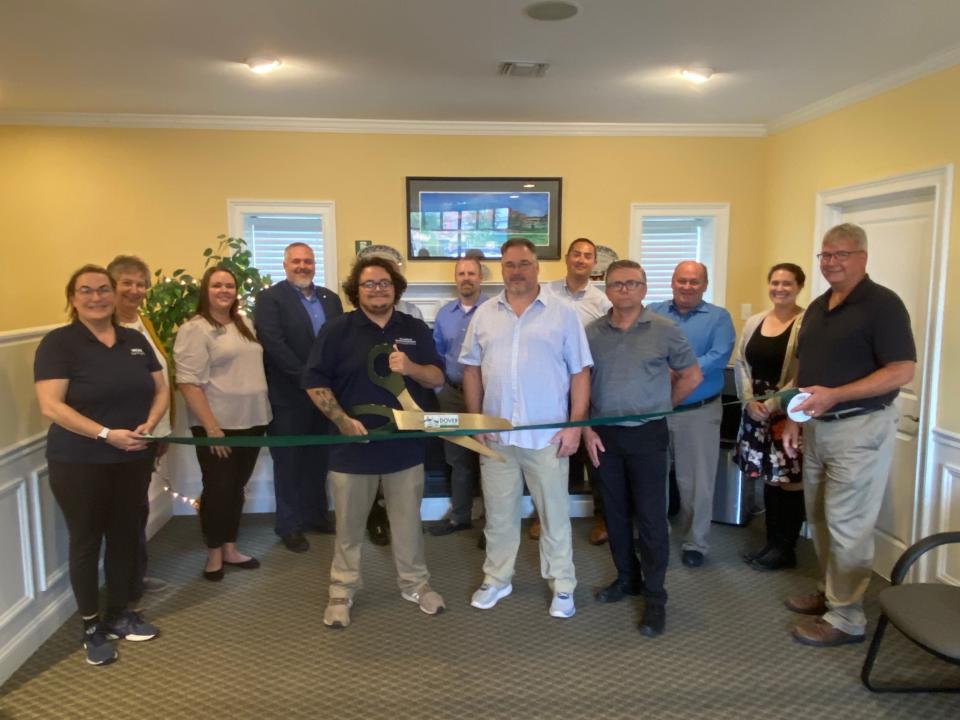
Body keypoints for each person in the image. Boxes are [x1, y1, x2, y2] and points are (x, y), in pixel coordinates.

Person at [783, 223, 915, 647]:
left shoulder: (883, 305)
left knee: (848, 526)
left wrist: (836, 395)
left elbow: (901, 370)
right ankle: (832, 595)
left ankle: (847, 618)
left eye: (842, 254)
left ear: (862, 257)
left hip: (859, 428)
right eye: (825, 255)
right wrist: (792, 418)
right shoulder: (820, 306)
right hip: (817, 428)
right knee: (820, 517)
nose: (832, 263)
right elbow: (807, 372)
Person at [34, 265, 167, 666]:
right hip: (80, 461)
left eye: (103, 289)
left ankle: (119, 614)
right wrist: (107, 434)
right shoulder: (59, 344)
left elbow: (161, 388)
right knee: (87, 542)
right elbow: (51, 405)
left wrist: (151, 423)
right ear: (73, 299)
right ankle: (91, 626)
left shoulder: (133, 340)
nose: (97, 297)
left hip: (132, 457)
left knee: (126, 535)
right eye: (86, 291)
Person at [303, 256, 446, 628]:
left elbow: (435, 378)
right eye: (369, 284)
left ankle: (415, 584)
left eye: (384, 283)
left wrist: (411, 367)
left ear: (395, 288)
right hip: (352, 450)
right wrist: (342, 420)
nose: (378, 289)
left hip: (405, 448)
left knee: (407, 524)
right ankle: (342, 590)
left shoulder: (414, 328)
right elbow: (315, 383)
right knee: (349, 529)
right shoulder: (336, 331)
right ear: (356, 291)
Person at [461, 237, 592, 619]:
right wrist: (475, 421)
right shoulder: (484, 314)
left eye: (524, 263)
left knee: (554, 516)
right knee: (499, 517)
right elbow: (470, 369)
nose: (516, 271)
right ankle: (497, 579)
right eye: (509, 265)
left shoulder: (563, 314)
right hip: (497, 439)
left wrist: (575, 427)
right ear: (501, 269)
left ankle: (563, 585)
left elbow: (580, 372)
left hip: (547, 439)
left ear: (537, 267)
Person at [583, 261, 701, 637]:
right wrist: (585, 426)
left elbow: (692, 375)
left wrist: (664, 405)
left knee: (651, 520)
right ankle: (626, 579)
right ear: (607, 288)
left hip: (648, 436)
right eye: (616, 284)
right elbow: (580, 382)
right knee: (615, 515)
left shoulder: (665, 330)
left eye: (632, 283)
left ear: (643, 288)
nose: (624, 290)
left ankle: (655, 597)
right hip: (604, 437)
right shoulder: (591, 333)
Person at [173, 265, 272, 581]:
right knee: (218, 489)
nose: (224, 291)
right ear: (206, 290)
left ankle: (230, 547)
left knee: (236, 488)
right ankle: (214, 553)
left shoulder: (243, 323)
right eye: (217, 285)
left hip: (254, 421)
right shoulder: (195, 329)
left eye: (229, 285)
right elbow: (188, 383)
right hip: (218, 425)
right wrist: (212, 429)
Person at [254, 242, 343, 553]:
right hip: (288, 395)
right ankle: (289, 525)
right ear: (285, 264)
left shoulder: (331, 299)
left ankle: (316, 516)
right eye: (296, 261)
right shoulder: (269, 299)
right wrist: (309, 381)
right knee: (289, 462)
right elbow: (275, 345)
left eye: (308, 261)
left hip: (327, 397)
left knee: (319, 459)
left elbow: (339, 343)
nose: (302, 266)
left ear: (314, 264)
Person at [648, 261, 735, 568]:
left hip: (698, 412)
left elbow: (718, 355)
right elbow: (642, 348)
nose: (687, 286)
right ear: (672, 282)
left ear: (704, 285)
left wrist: (681, 371)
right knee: (653, 477)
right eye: (681, 280)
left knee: (696, 481)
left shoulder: (719, 318)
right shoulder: (653, 312)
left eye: (694, 282)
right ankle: (655, 534)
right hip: (656, 410)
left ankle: (696, 542)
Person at [536, 237, 612, 545]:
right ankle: (549, 520)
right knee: (553, 456)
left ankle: (603, 518)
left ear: (594, 263)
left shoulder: (602, 301)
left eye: (588, 256)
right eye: (576, 254)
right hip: (552, 387)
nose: (581, 260)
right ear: (567, 258)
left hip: (589, 385)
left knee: (593, 456)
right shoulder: (545, 293)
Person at [734, 263, 806, 571]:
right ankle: (770, 544)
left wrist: (775, 402)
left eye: (787, 283)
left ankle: (785, 549)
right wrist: (749, 400)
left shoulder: (806, 323)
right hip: (756, 412)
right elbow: (741, 363)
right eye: (775, 282)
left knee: (789, 481)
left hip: (786, 413)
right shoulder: (755, 321)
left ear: (799, 287)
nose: (780, 288)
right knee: (769, 478)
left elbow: (804, 371)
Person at [429, 255, 488, 536]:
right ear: (456, 278)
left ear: (480, 278)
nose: (466, 278)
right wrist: (440, 389)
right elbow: (437, 356)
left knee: (490, 457)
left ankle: (493, 522)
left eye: (472, 273)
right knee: (456, 458)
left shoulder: (493, 311)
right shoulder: (443, 315)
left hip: (489, 397)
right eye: (462, 273)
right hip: (451, 395)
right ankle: (460, 515)